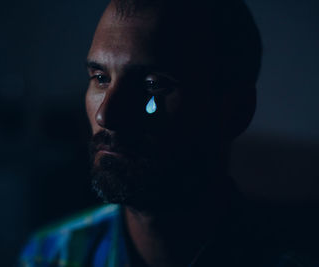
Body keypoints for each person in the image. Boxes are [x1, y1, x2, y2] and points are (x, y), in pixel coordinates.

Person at [19, 0, 314, 266]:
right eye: (100, 78)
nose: (105, 115)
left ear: (236, 111)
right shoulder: (51, 256)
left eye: (152, 85)